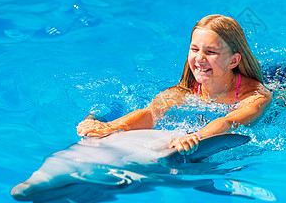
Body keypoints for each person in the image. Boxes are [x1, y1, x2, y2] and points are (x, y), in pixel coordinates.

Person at [77, 14, 275, 155]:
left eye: (211, 52)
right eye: (194, 49)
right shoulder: (186, 90)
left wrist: (197, 136)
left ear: (233, 61)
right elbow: (150, 113)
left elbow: (228, 122)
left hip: (283, 81)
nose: (199, 59)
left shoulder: (256, 96)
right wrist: (110, 126)